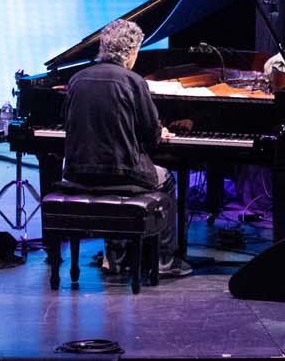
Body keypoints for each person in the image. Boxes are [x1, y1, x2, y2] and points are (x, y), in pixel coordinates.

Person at [62, 18, 192, 277]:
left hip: (77, 172)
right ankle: (163, 260)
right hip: (123, 173)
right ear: (131, 52)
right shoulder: (133, 81)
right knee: (166, 179)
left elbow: (66, 122)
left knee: (114, 178)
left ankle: (117, 257)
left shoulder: (76, 79)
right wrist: (160, 131)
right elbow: (150, 134)